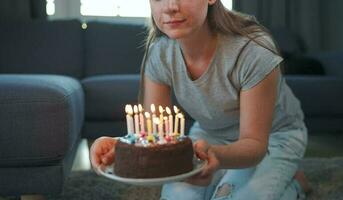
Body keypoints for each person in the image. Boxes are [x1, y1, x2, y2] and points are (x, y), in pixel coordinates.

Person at [90, 0, 310, 199]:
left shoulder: (253, 51)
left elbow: (254, 144)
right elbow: (154, 137)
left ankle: (294, 186)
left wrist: (215, 156)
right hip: (209, 135)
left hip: (274, 138)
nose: (169, 6)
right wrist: (120, 146)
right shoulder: (160, 53)